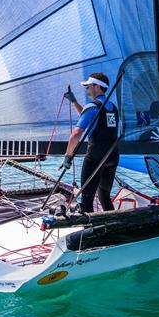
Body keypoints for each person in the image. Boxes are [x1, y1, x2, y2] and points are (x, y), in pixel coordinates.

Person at [59, 72, 119, 213]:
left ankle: (90, 230)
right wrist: (74, 102)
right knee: (104, 195)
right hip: (112, 157)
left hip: (95, 157)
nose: (86, 88)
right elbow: (93, 118)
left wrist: (68, 156)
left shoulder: (91, 107)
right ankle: (110, 225)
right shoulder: (113, 107)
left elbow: (76, 134)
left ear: (97, 87)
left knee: (87, 199)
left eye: (88, 86)